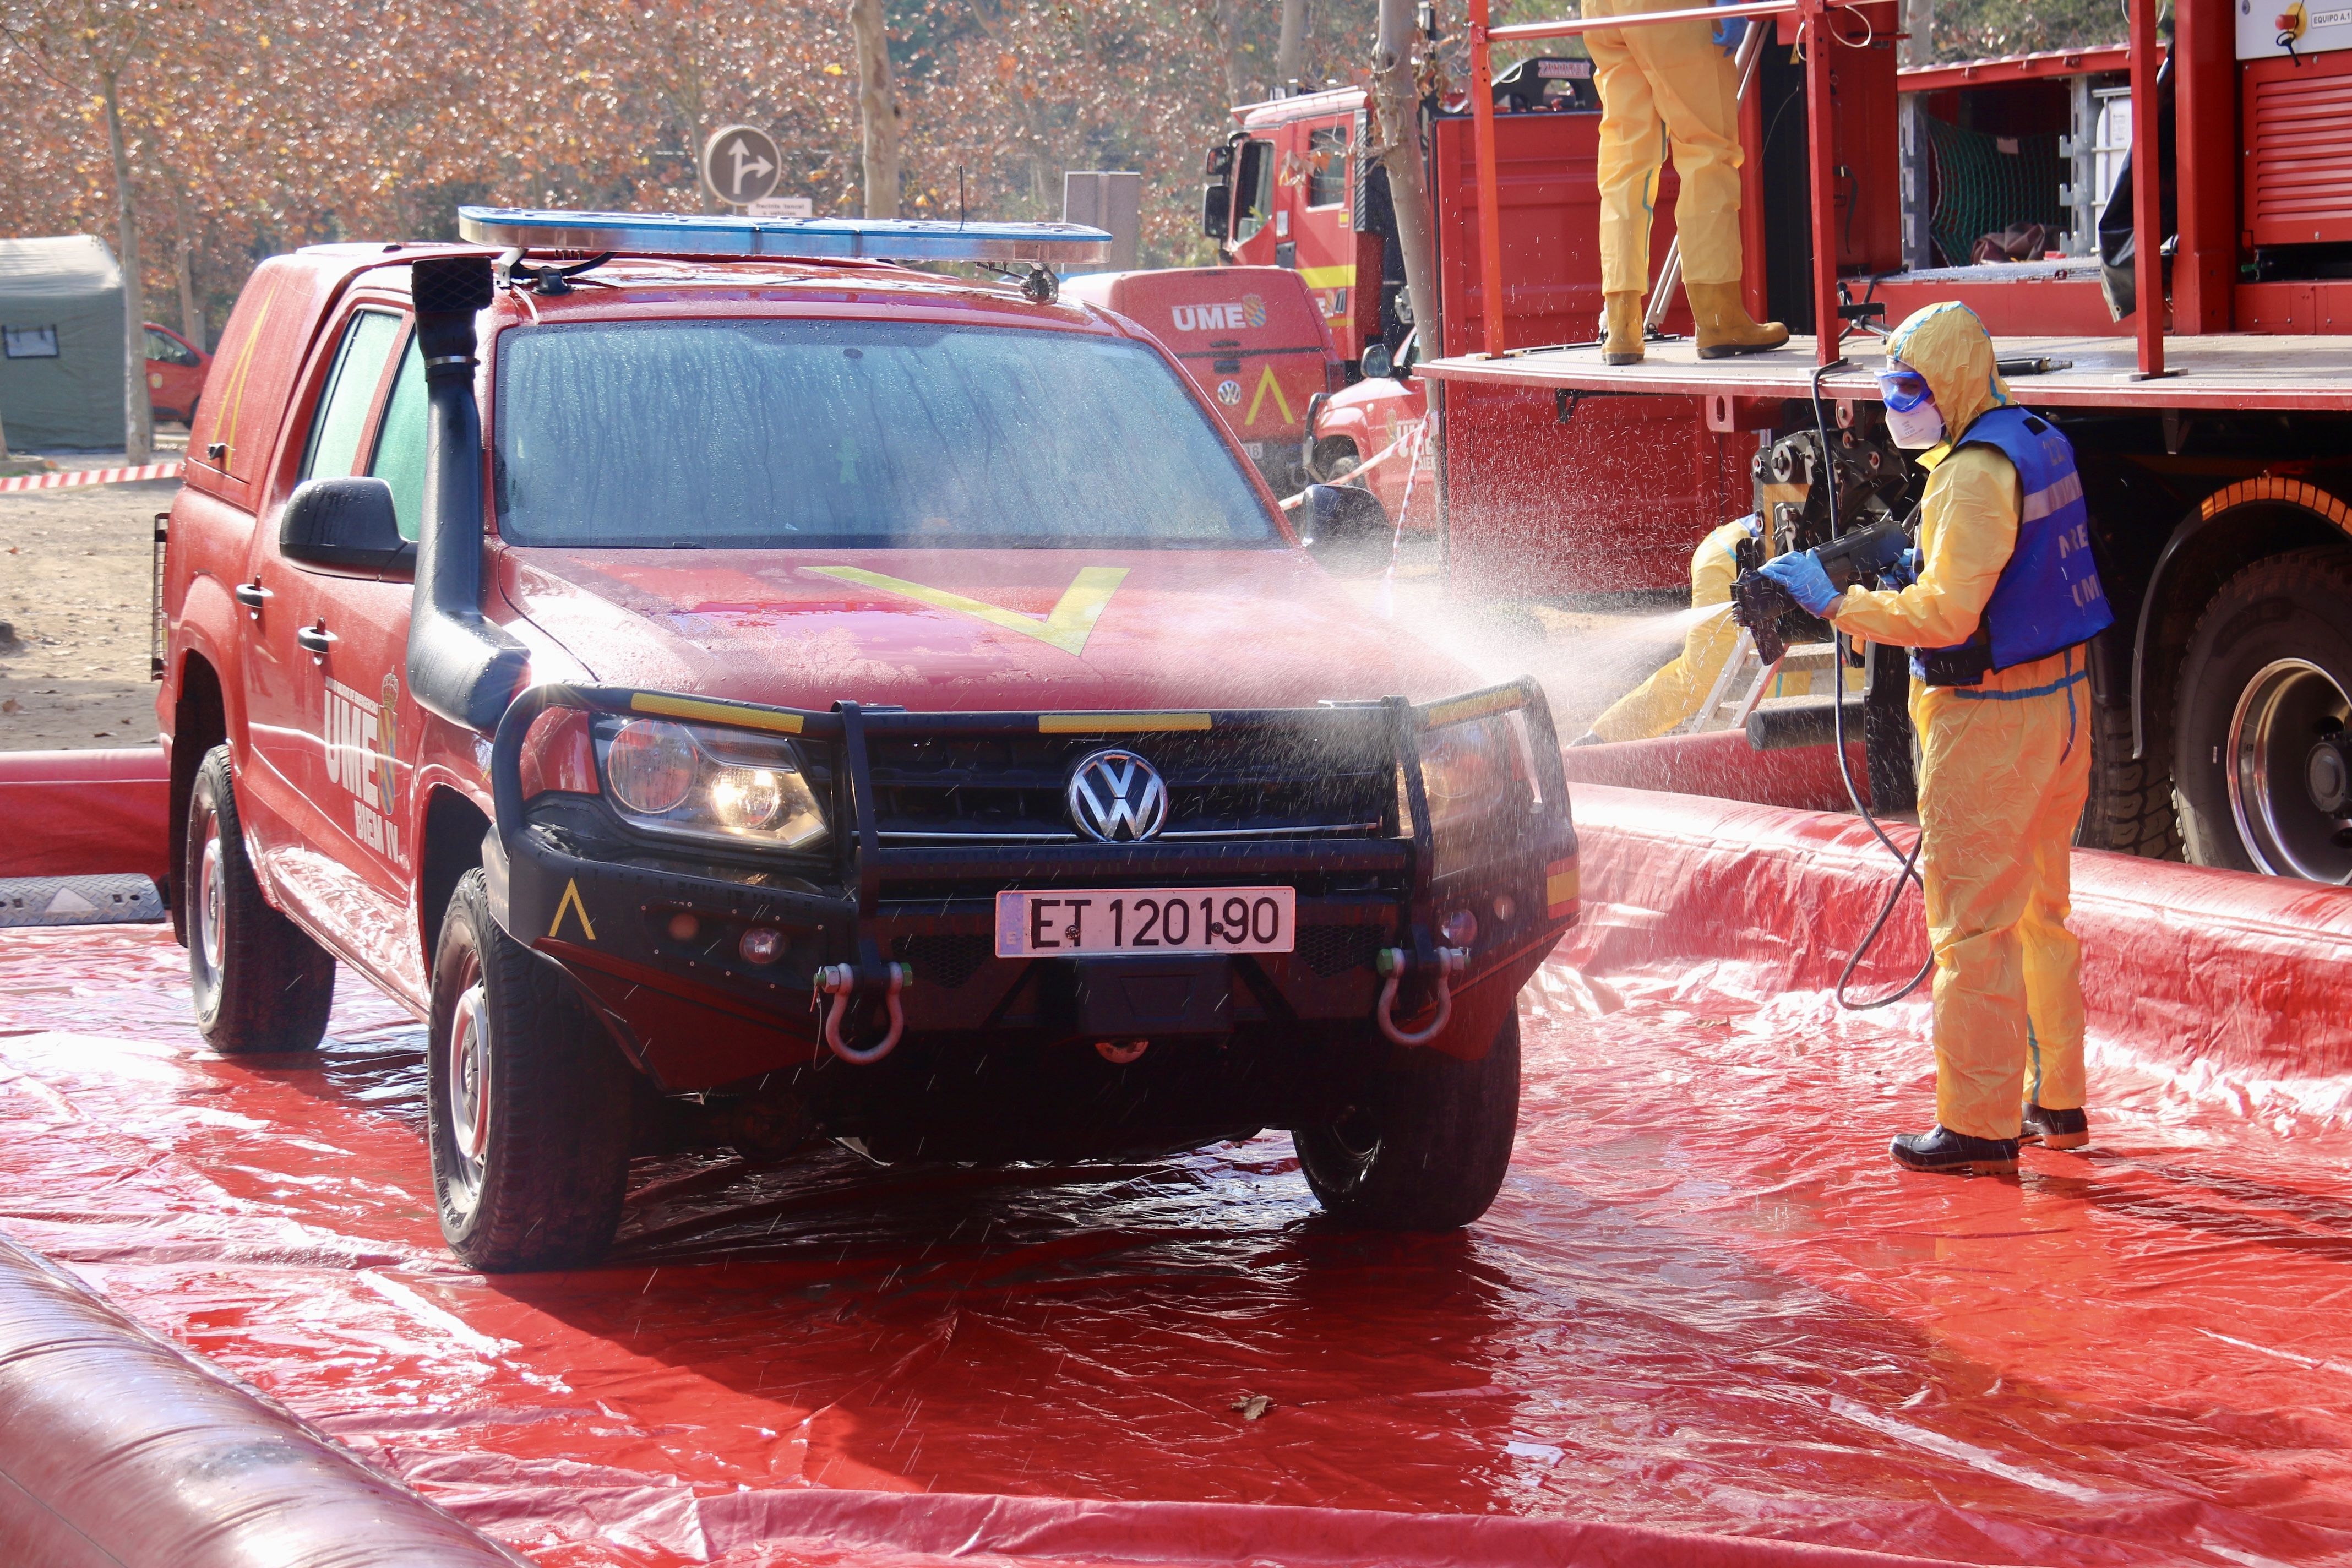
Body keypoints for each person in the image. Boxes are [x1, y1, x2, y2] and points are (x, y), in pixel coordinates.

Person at [1756, 302, 2113, 1175]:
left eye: (1910, 387)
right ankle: (2056, 1103)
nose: (1897, 404)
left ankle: (1978, 1125)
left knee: (1969, 930)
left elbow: (1949, 615)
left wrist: (1836, 602)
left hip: (1990, 726)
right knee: (2040, 915)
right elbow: (2001, 572)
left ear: (1948, 383)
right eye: (1889, 387)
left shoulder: (1965, 476)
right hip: (2063, 708)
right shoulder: (2033, 440)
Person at [1587, 0, 1788, 365]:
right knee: (1706, 151)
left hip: (1603, 10)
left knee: (1626, 159)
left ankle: (1622, 327)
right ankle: (1718, 320)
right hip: (1671, 8)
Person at [1583, 513, 1811, 743]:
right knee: (1698, 678)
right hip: (1730, 561)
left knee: (1794, 662)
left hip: (1729, 548)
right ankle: (1602, 739)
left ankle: (1786, 747)